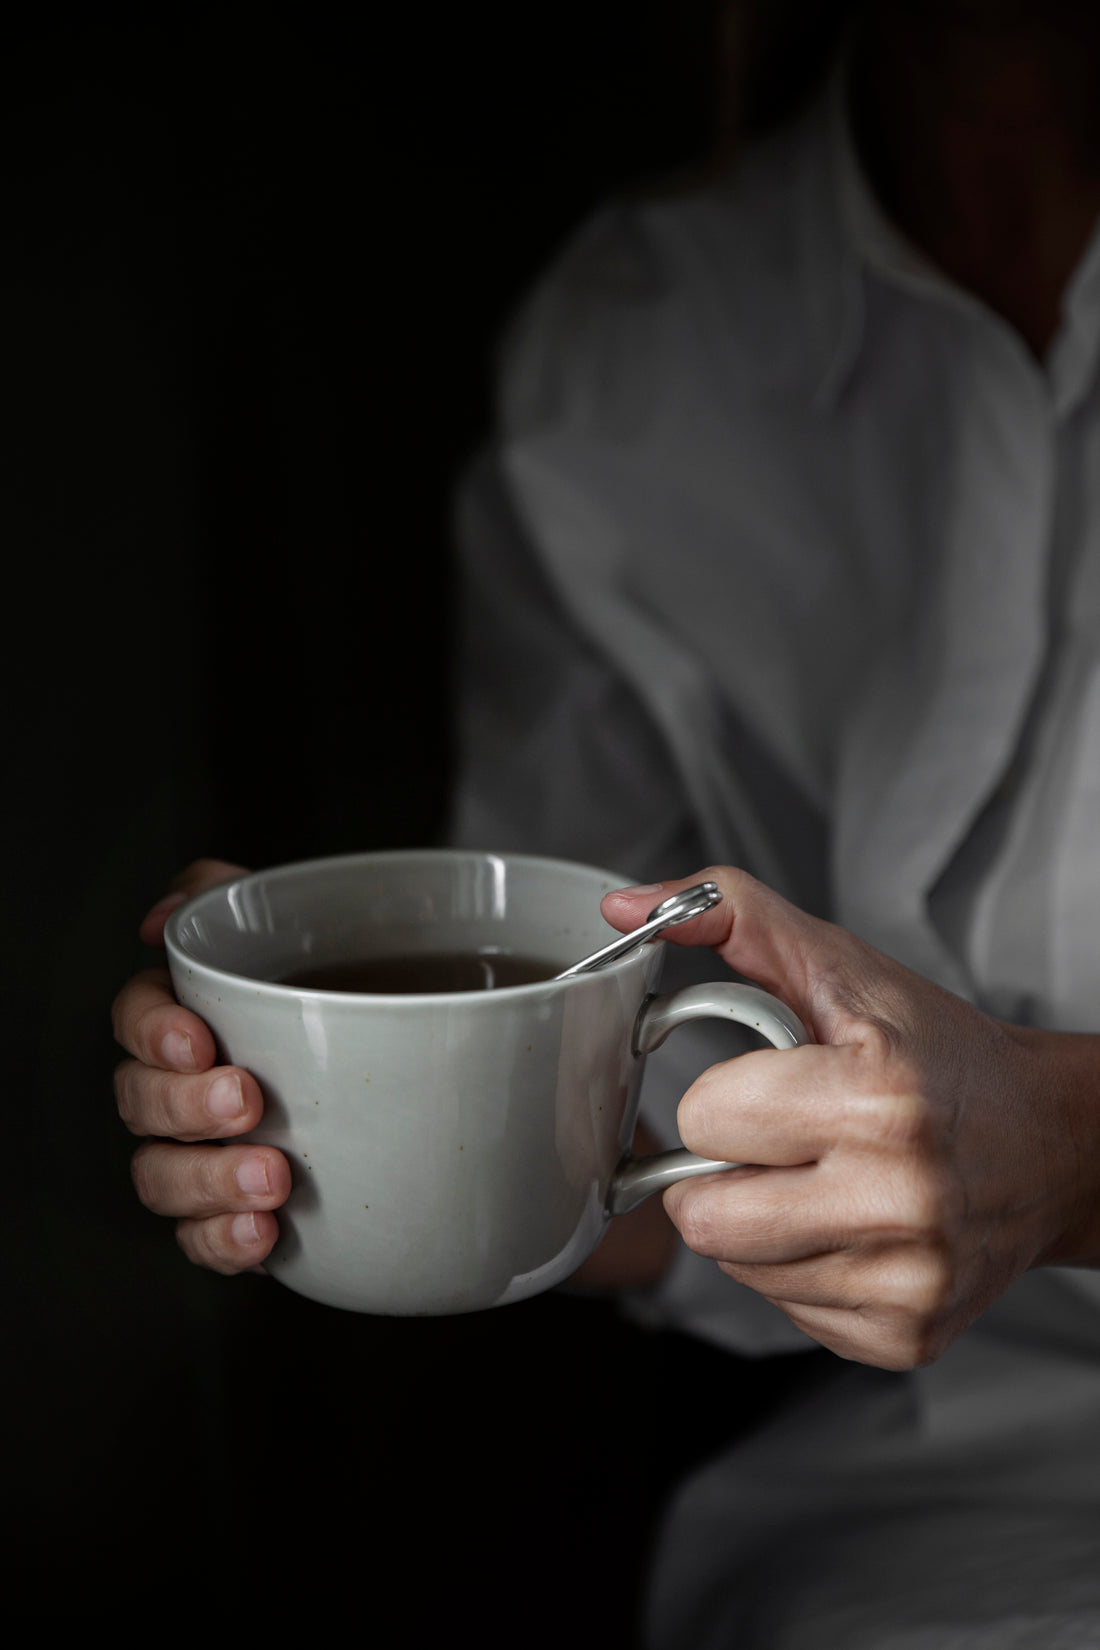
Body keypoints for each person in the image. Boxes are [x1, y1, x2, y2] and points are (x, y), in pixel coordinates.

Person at [112, 2, 1100, 1643]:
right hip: (916, 1504)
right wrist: (323, 1102)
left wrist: (1067, 1156)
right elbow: (618, 1125)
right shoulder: (633, 349)